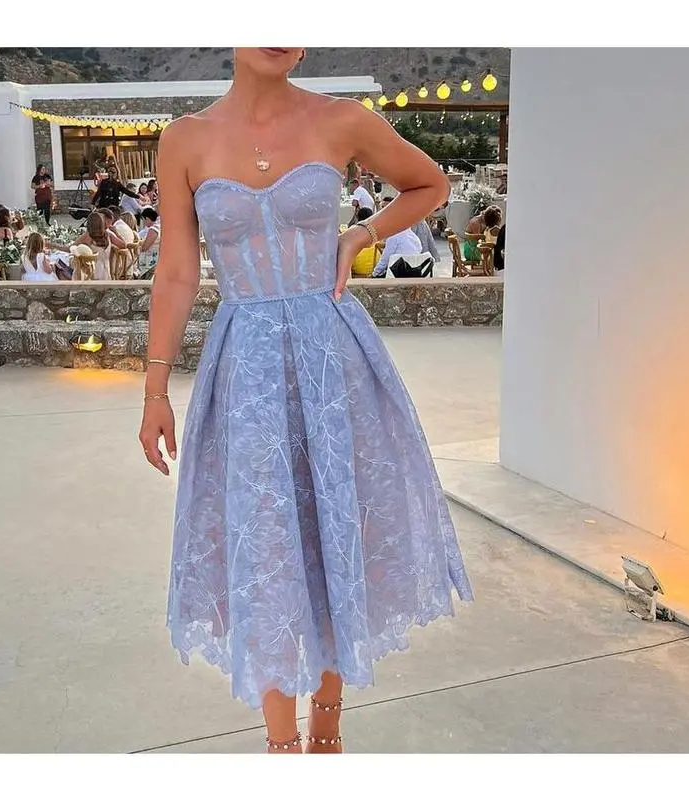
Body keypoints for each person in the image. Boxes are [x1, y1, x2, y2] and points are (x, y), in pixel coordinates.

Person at [138, 47, 472, 755]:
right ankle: (281, 746)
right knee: (266, 539)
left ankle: (327, 727)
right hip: (247, 371)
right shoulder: (185, 140)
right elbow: (176, 270)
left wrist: (362, 233)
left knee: (330, 527)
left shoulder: (342, 120)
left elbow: (429, 184)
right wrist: (154, 387)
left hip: (332, 359)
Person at [72, 211, 124, 280]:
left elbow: (71, 248)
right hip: (106, 274)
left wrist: (58, 246)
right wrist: (116, 232)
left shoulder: (88, 236)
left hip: (92, 274)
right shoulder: (108, 235)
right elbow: (123, 245)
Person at [349, 207, 378, 277]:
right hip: (374, 268)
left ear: (357, 217)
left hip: (357, 269)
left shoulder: (352, 230)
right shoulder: (376, 231)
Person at [137, 207, 160, 276]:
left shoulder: (153, 229)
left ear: (147, 218)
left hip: (152, 259)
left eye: (143, 220)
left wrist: (140, 246)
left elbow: (145, 247)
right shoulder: (160, 226)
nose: (144, 222)